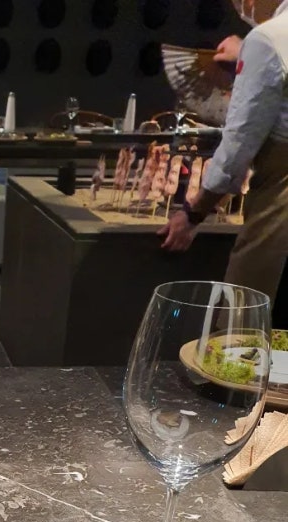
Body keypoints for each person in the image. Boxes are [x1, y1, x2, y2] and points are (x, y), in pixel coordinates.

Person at [158, 1, 288, 303]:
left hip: (280, 196)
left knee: (246, 310)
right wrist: (247, 53)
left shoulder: (267, 40)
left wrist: (194, 213)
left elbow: (238, 144)